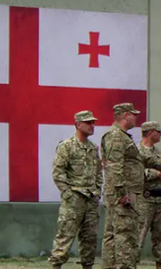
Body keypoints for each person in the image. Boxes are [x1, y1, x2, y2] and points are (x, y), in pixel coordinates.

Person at [100, 103, 161, 269]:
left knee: (118, 235)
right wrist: (121, 193)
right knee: (125, 236)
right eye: (133, 114)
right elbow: (114, 167)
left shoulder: (123, 136)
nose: (136, 118)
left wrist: (159, 162)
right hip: (124, 195)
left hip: (133, 194)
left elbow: (136, 161)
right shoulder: (115, 136)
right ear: (126, 115)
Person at [48, 110, 102, 269]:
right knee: (65, 237)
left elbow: (98, 171)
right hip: (74, 199)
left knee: (89, 239)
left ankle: (87, 266)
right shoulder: (66, 146)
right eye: (88, 123)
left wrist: (97, 191)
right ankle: (56, 265)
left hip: (91, 200)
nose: (92, 126)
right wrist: (68, 194)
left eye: (93, 123)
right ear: (78, 124)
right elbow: (58, 173)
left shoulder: (93, 148)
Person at [136, 121, 161, 269]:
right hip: (144, 200)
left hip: (160, 199)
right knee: (138, 235)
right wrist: (156, 173)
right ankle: (132, 264)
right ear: (150, 132)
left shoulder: (158, 152)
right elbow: (136, 173)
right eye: (158, 131)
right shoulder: (137, 151)